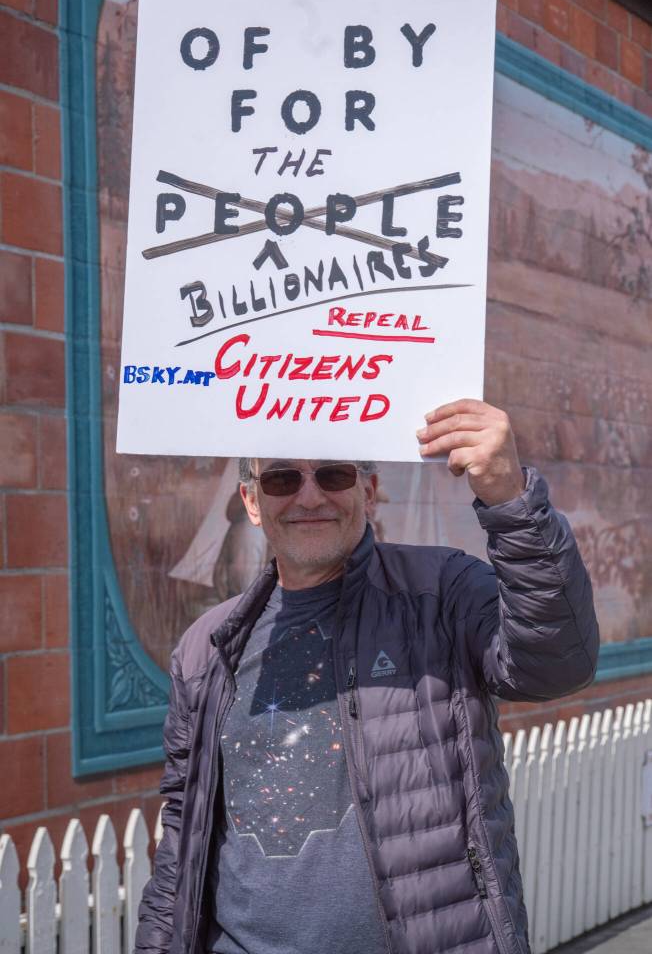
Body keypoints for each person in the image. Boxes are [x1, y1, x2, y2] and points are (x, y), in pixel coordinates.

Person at [135, 398, 599, 954]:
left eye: (333, 473)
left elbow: (557, 663)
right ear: (252, 502)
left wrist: (510, 499)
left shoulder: (440, 592)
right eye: (282, 478)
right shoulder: (206, 648)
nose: (309, 496)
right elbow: (183, 835)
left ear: (368, 491)